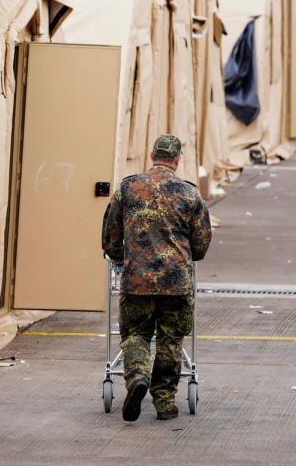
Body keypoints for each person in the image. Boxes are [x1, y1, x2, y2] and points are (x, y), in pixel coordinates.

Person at [101, 135, 212, 422]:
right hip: (176, 283)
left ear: (151, 155)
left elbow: (111, 236)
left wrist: (118, 257)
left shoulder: (127, 188)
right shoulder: (189, 194)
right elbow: (200, 244)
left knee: (136, 334)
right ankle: (164, 402)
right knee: (170, 340)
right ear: (177, 160)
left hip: (136, 280)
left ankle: (138, 377)